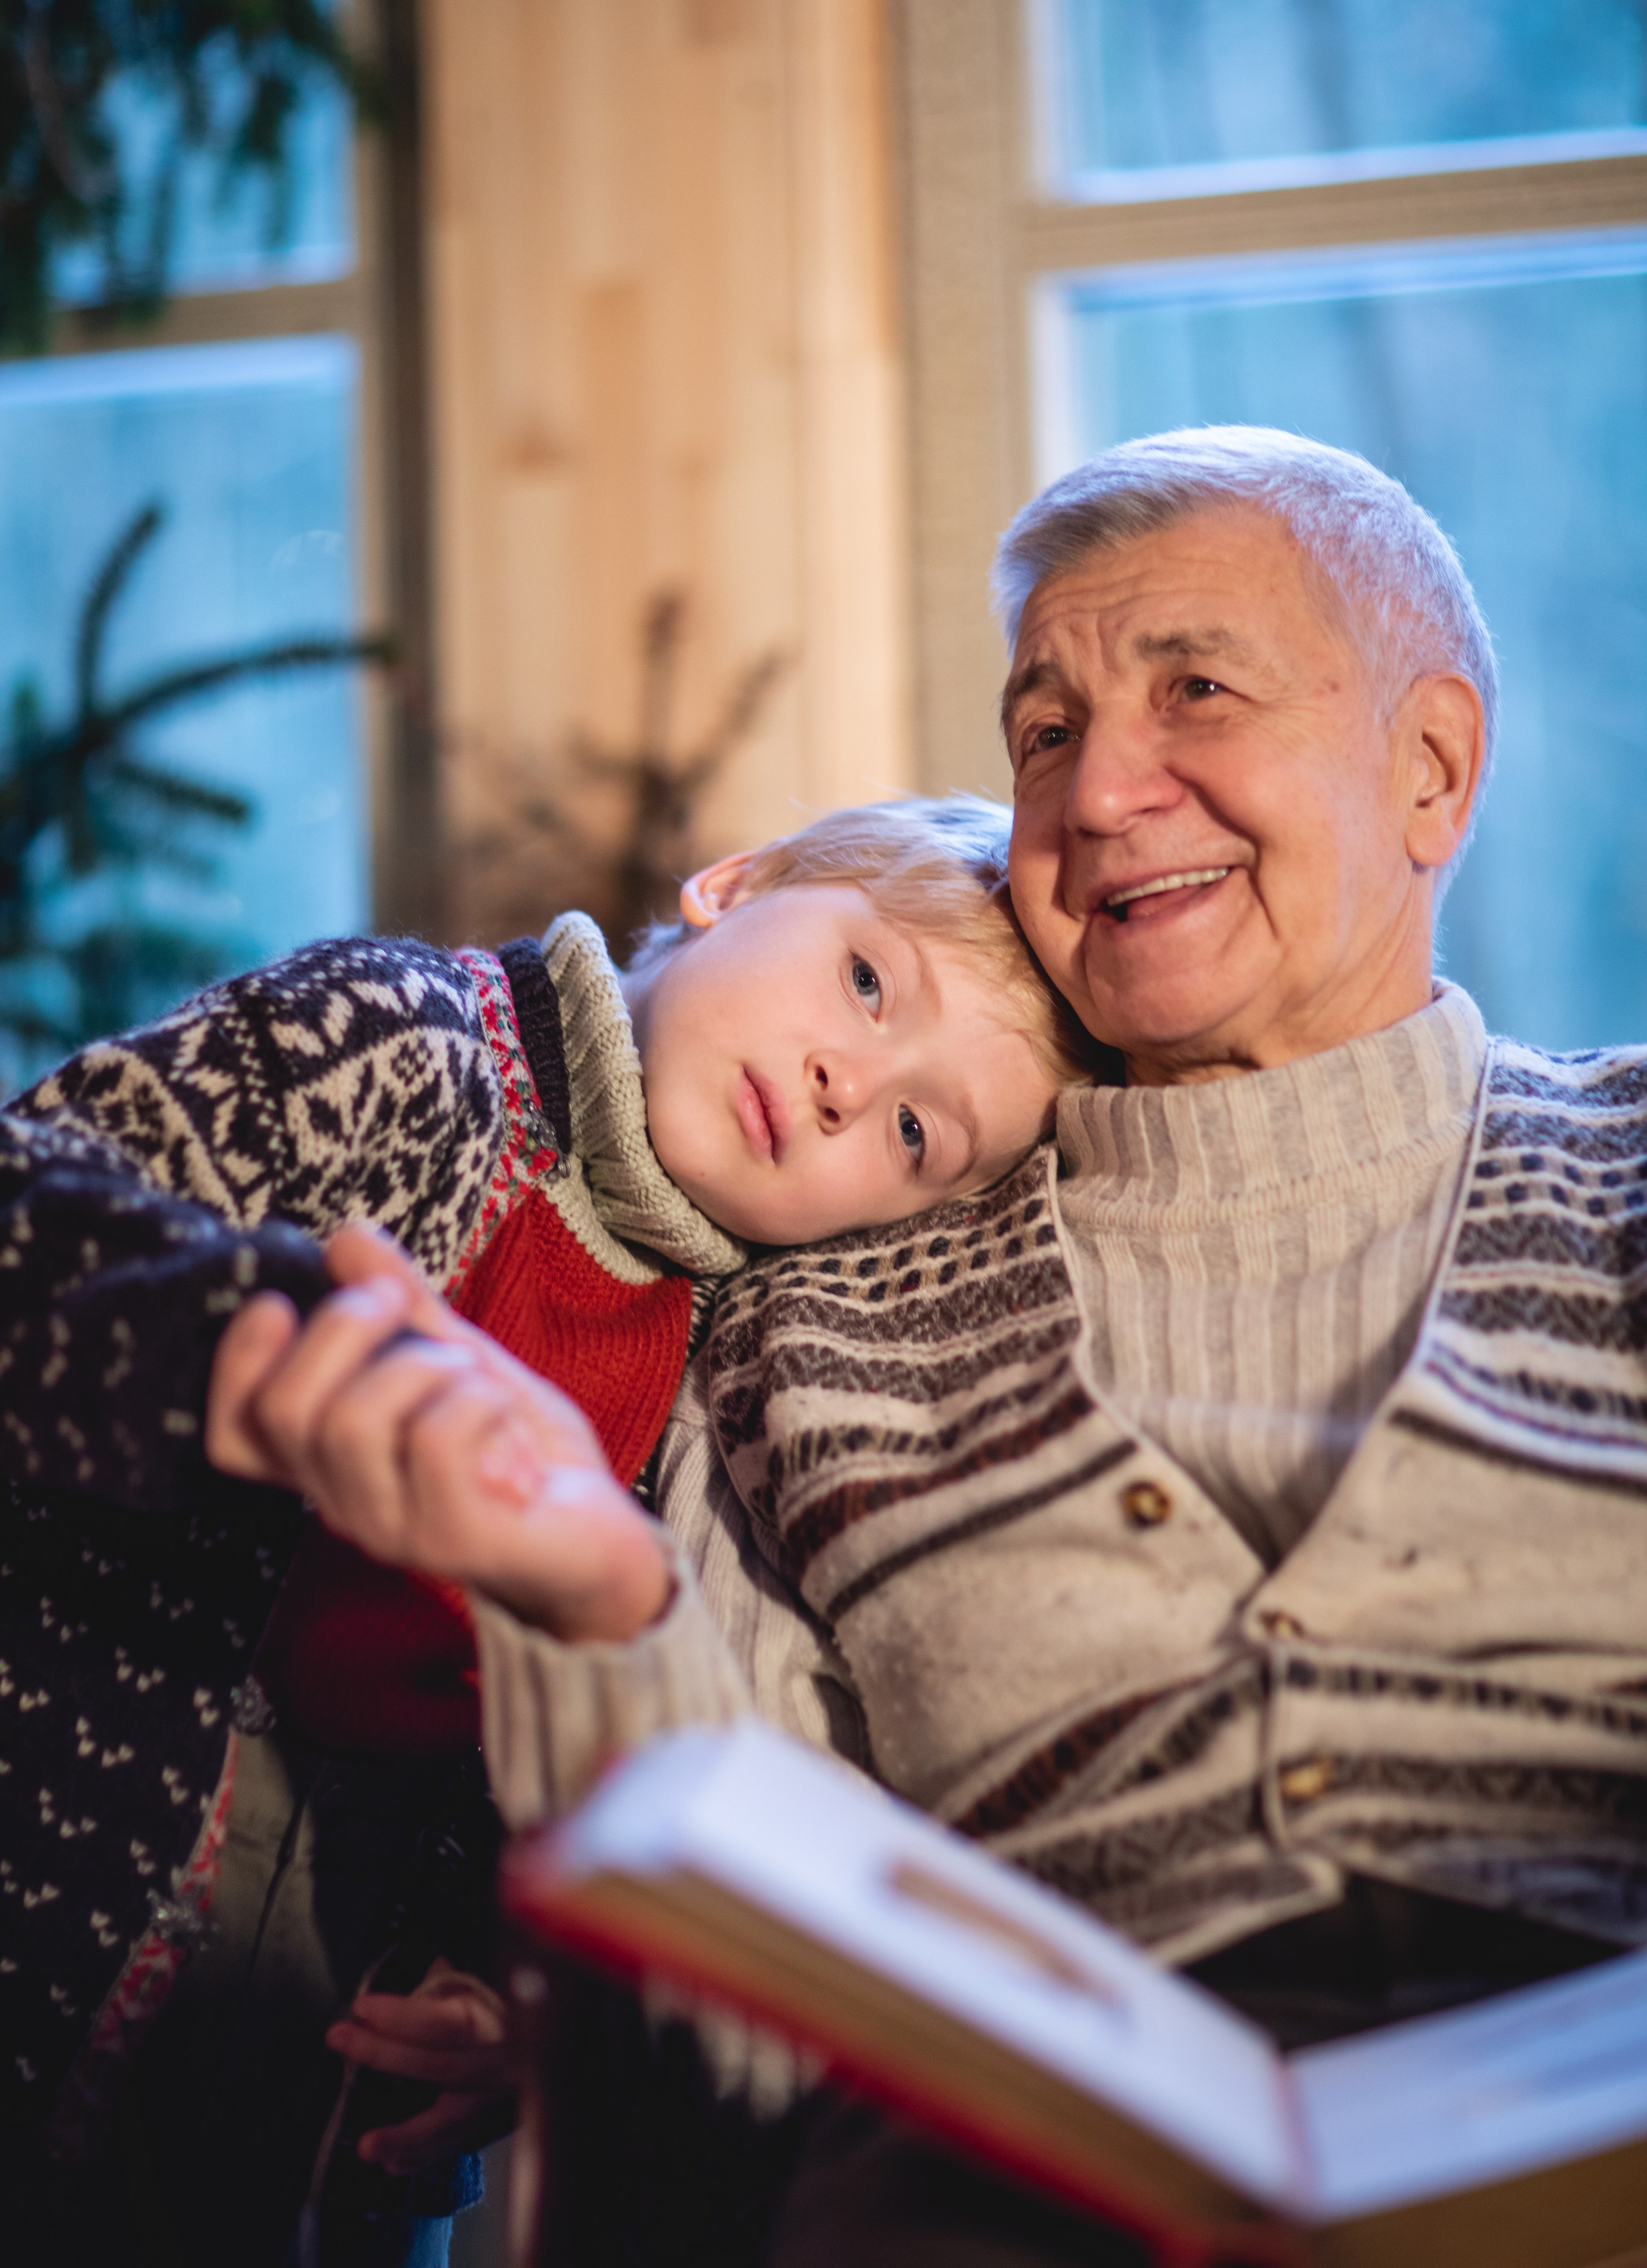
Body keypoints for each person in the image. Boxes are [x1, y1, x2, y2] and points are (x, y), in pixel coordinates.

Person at [208, 429, 1647, 2265]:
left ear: (1430, 769)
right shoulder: (813, 1331)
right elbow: (716, 2060)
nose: (1104, 791)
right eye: (1043, 732)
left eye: (1195, 691)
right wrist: (595, 1607)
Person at [0, 792, 1096, 2267]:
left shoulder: (742, 1371)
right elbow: (31, 1203)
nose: (846, 1081)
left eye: (912, 1129)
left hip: (322, 2034)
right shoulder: (401, 1039)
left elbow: (594, 1740)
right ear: (740, 880)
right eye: (864, 979)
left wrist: (503, 1994)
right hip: (64, 1834)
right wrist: (249, 1351)